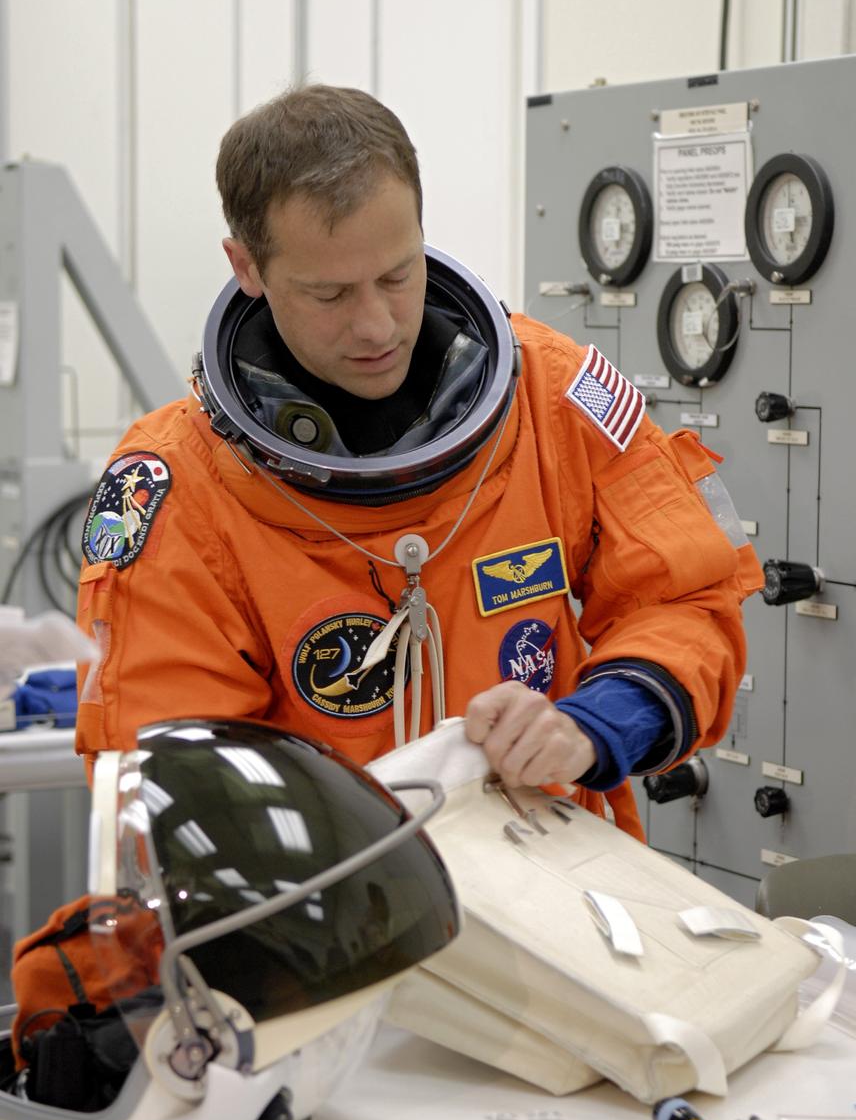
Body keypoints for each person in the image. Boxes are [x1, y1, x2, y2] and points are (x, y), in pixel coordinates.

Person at [75, 84, 762, 840]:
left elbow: (688, 596)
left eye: (398, 276)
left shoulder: (552, 395)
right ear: (247, 267)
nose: (376, 326)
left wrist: (594, 724)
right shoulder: (177, 488)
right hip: (335, 893)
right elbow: (173, 778)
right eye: (329, 294)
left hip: (554, 868)